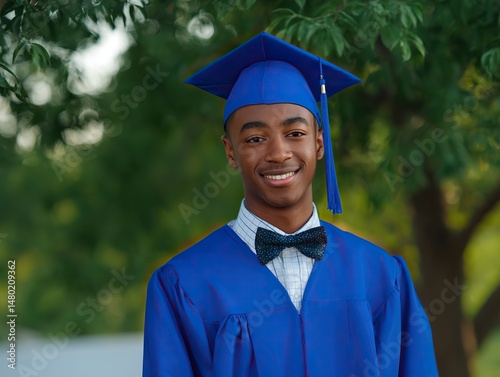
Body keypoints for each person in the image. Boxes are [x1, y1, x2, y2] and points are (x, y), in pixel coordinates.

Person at [142, 32, 439, 377]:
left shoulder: (380, 276)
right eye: (255, 138)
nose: (279, 153)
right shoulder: (184, 284)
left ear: (319, 142)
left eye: (295, 134)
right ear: (230, 152)